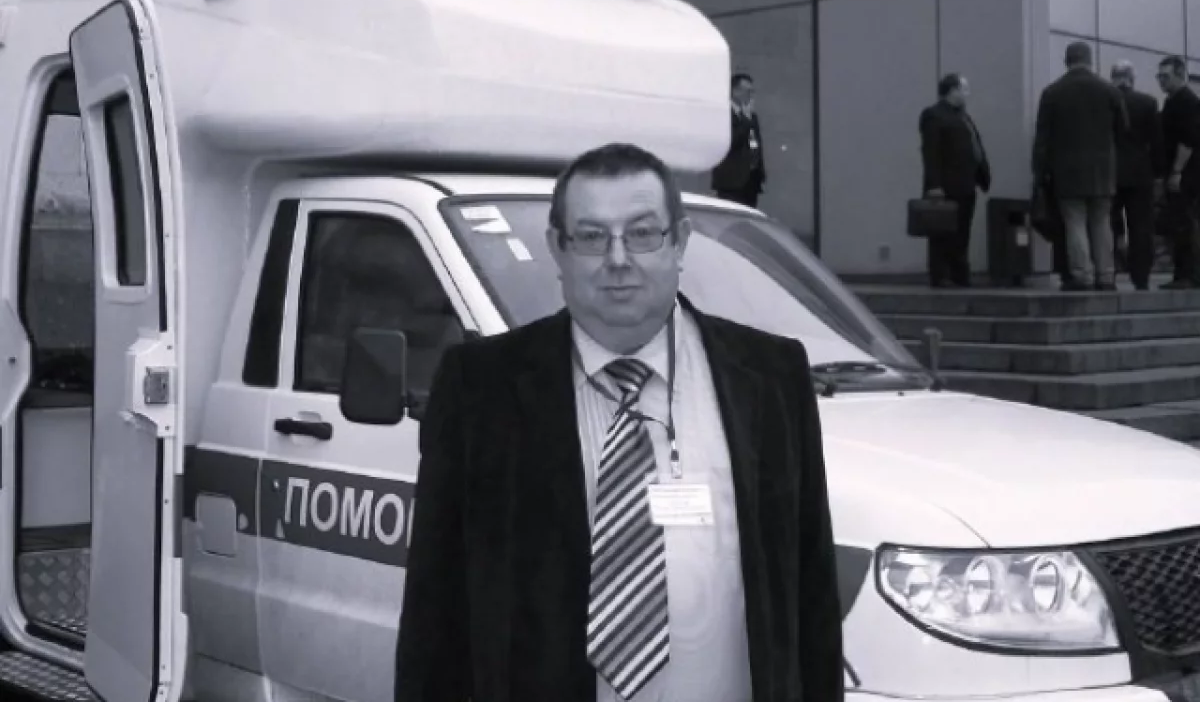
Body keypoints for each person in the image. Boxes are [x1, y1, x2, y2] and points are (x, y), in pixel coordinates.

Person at [394, 142, 843, 702]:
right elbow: (435, 614)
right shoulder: (479, 390)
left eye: (642, 233)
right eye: (591, 236)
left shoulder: (771, 379)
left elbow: (812, 598)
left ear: (679, 241)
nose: (618, 259)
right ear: (557, 248)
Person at [1032, 41, 1128, 291]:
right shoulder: (1110, 91)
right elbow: (1123, 131)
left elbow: (1042, 139)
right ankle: (1106, 275)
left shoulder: (1052, 93)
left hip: (1067, 172)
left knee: (1074, 222)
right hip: (1103, 171)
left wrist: (1039, 172)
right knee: (1101, 221)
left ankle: (1082, 275)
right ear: (1090, 60)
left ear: (1067, 61)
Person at [918, 73, 992, 287]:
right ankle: (941, 274)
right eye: (964, 89)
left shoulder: (962, 116)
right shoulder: (934, 115)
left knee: (962, 231)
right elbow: (931, 152)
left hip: (966, 183)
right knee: (942, 231)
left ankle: (959, 273)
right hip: (947, 184)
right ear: (952, 90)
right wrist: (934, 185)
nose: (967, 93)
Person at [1109, 60, 1163, 290]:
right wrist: (1158, 173)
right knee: (1141, 226)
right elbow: (1156, 141)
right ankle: (1141, 277)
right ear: (1132, 78)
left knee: (1109, 223)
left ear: (1113, 78)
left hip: (1110, 171)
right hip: (1140, 172)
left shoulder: (1106, 102)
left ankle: (1109, 272)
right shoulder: (1148, 102)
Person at [1156, 55, 1200, 289]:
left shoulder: (1186, 102)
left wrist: (1176, 171)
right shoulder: (1173, 101)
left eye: (1166, 76)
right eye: (1159, 76)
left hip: (1187, 173)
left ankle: (1188, 275)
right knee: (1179, 222)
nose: (1161, 81)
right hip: (1181, 171)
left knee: (1184, 222)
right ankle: (1183, 273)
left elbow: (1188, 140)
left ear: (1180, 75)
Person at [711, 73, 767, 208]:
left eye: (752, 91)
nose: (750, 95)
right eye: (747, 91)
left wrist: (759, 170)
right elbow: (731, 141)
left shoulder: (751, 115)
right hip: (730, 181)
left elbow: (754, 142)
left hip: (751, 180)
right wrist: (746, 120)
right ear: (735, 91)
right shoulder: (724, 114)